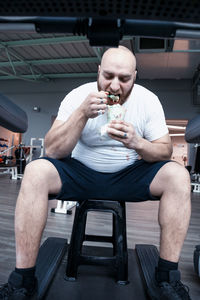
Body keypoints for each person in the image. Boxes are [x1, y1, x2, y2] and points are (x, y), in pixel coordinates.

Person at [0, 46, 191, 300]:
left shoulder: (148, 100)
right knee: (35, 170)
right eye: (108, 76)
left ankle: (167, 279)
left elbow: (165, 151)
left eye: (124, 79)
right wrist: (81, 114)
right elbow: (53, 150)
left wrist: (138, 143)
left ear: (135, 76)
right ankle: (22, 281)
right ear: (98, 71)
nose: (114, 86)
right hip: (80, 173)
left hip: (129, 174)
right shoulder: (78, 96)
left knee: (179, 176)